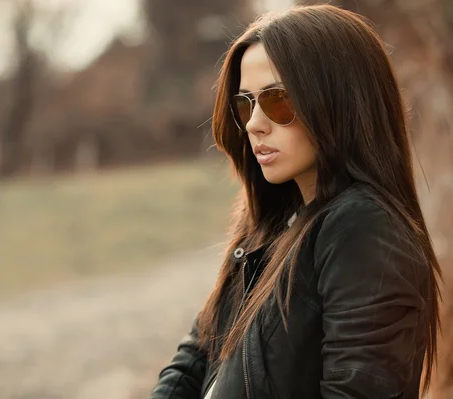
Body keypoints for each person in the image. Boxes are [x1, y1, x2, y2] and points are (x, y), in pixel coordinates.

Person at [149, 4, 441, 399]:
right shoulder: (270, 222)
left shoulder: (364, 230)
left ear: (338, 101)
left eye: (277, 100)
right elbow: (200, 351)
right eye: (245, 103)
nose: (254, 123)